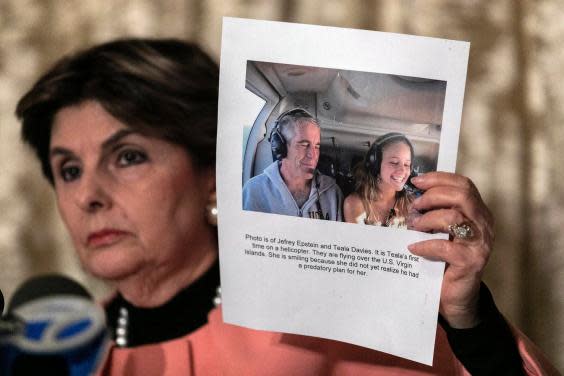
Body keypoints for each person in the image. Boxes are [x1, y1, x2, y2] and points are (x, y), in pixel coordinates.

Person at [15, 38, 557, 375]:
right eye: (68, 170)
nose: (87, 195)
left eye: (127, 156)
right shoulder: (48, 355)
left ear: (211, 175)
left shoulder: (325, 319)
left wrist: (469, 323)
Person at [242, 109, 343, 220]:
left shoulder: (332, 193)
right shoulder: (254, 191)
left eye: (317, 147)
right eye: (304, 145)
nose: (313, 155)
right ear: (280, 147)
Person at [344, 132, 416, 228]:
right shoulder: (355, 203)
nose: (403, 170)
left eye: (407, 164)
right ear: (376, 165)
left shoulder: (413, 206)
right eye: (394, 162)